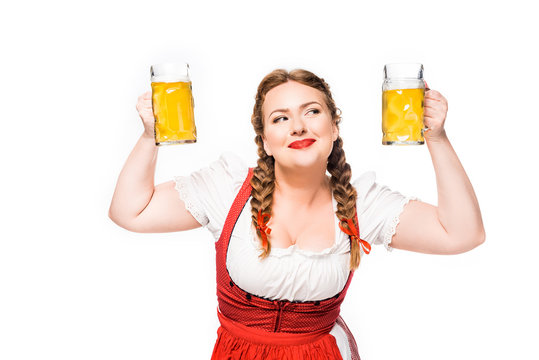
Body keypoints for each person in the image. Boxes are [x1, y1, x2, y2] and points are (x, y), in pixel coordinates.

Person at [108, 68, 485, 359]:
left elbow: (462, 234)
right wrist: (148, 137)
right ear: (266, 142)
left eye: (312, 111)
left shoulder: (358, 202)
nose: (298, 125)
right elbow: (131, 212)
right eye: (280, 118)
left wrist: (437, 139)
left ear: (334, 127)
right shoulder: (226, 190)